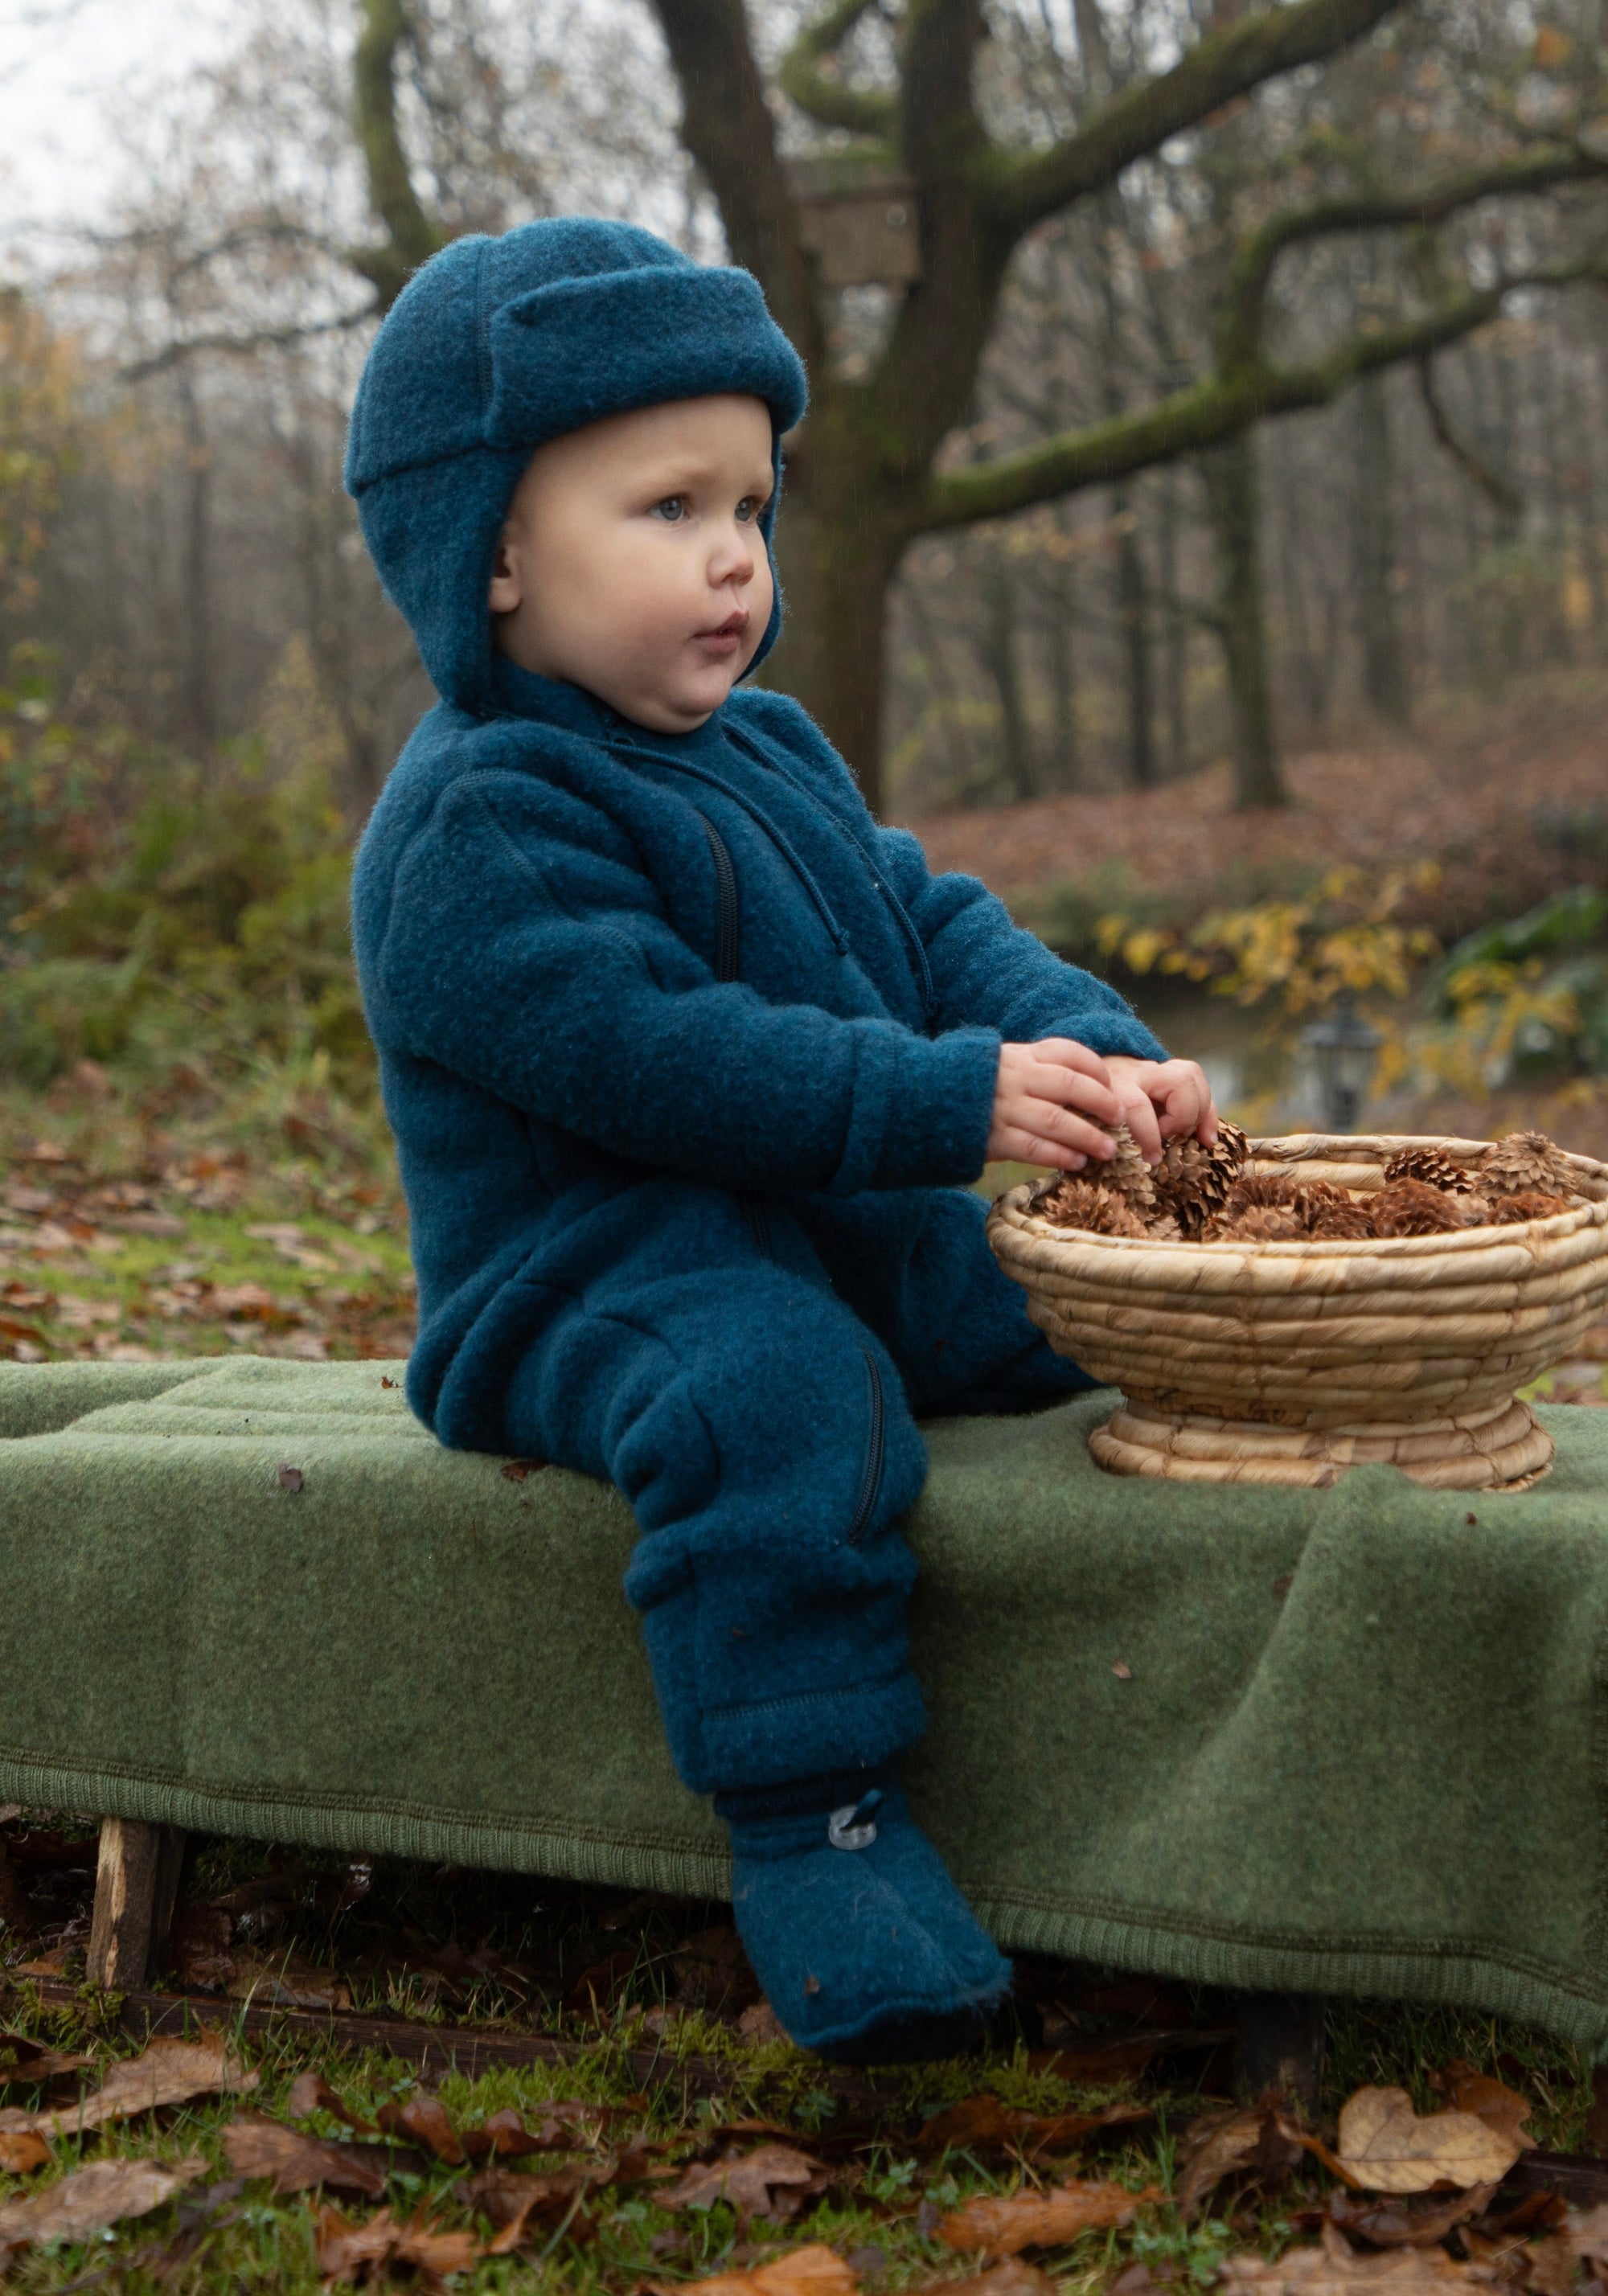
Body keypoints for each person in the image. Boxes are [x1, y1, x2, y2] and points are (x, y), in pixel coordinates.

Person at [346, 218, 1216, 2064]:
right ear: (491, 546)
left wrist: (1091, 1053)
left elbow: (931, 921)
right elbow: (656, 1054)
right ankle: (815, 1830)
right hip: (590, 1277)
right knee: (781, 1396)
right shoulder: (479, 821)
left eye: (752, 502)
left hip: (828, 1228)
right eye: (665, 510)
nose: (734, 557)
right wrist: (940, 1102)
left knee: (1086, 1309)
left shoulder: (770, 746)